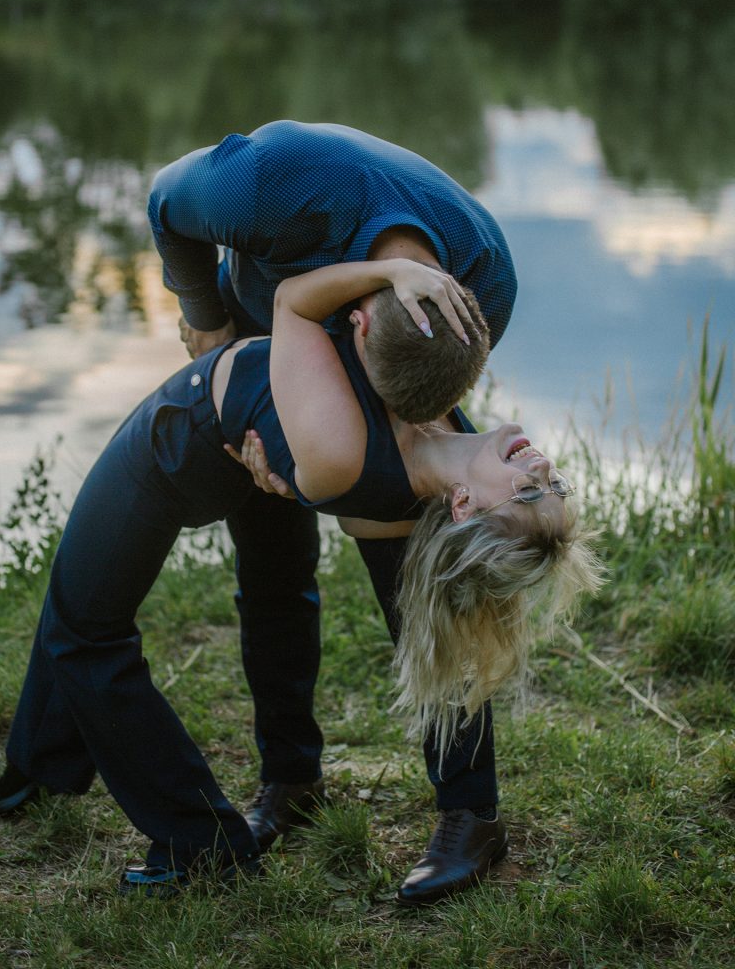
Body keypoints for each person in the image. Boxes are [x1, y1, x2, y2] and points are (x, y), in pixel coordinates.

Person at [0, 259, 601, 899]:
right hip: (249, 441)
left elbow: (293, 303)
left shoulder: (386, 466)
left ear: (467, 505)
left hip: (182, 438)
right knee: (268, 594)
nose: (543, 469)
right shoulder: (445, 443)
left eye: (530, 492)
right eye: (555, 485)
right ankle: (49, 768)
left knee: (84, 628)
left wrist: (385, 270)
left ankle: (201, 844)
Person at [148, 119, 519, 903]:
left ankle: (471, 812)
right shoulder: (267, 184)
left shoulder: (483, 282)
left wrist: (369, 472)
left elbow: (417, 411)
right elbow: (164, 201)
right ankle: (291, 781)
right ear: (358, 321)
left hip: (396, 375)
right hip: (266, 331)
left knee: (416, 575)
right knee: (271, 562)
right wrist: (208, 321)